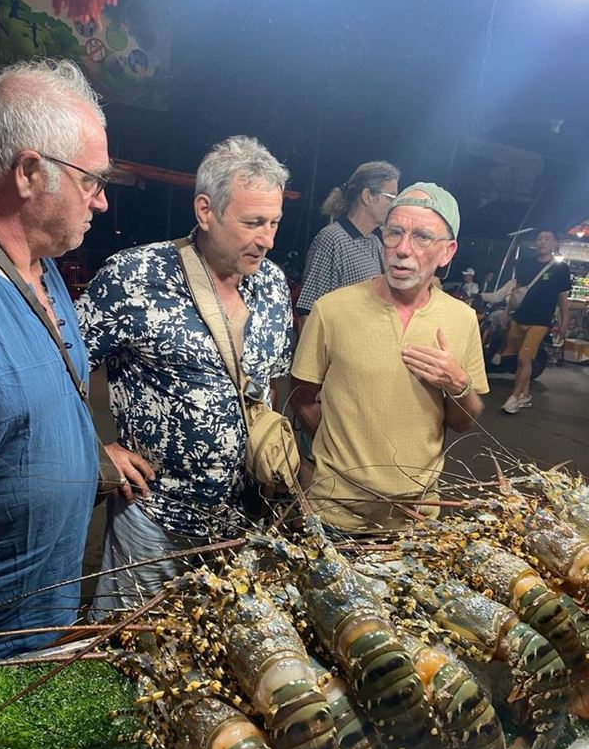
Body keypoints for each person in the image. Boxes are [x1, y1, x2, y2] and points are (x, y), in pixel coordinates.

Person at [76, 136, 293, 614]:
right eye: (253, 223)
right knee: (126, 645)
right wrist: (95, 449)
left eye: (274, 222)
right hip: (154, 521)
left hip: (242, 525)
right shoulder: (135, 276)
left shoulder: (274, 285)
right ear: (205, 210)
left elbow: (267, 387)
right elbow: (59, 368)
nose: (268, 239)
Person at [0, 59, 111, 657]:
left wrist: (92, 456)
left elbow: (34, 401)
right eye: (91, 181)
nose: (101, 202)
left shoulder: (41, 264)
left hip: (42, 626)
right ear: (28, 173)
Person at [291, 182, 488, 534]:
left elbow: (463, 422)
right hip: (335, 515)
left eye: (422, 237)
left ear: (447, 252)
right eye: (394, 232)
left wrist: (458, 384)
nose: (403, 249)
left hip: (418, 519)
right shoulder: (332, 310)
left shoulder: (462, 319)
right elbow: (302, 396)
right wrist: (346, 451)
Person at [295, 160, 400, 323]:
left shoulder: (375, 243)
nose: (394, 205)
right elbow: (308, 310)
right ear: (367, 196)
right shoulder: (332, 239)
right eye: (391, 197)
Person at [501, 229, 571, 414]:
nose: (542, 242)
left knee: (524, 358)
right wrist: (506, 312)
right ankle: (524, 395)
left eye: (547, 239)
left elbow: (563, 298)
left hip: (541, 321)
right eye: (540, 239)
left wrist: (564, 322)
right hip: (519, 317)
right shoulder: (526, 263)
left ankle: (514, 398)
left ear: (555, 243)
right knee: (520, 359)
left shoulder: (561, 269)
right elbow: (516, 290)